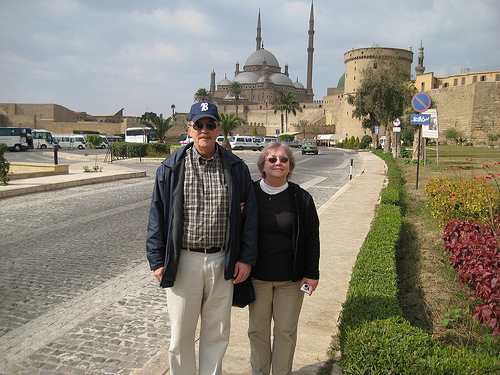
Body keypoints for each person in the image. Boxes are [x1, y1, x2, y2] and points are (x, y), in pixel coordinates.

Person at [146, 100, 258, 375]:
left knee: (217, 333)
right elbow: (157, 217)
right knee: (181, 335)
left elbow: (250, 218)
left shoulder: (236, 168)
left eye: (210, 124)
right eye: (199, 125)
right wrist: (157, 260)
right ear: (189, 129)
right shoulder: (171, 169)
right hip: (185, 262)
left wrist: (245, 258)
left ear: (219, 128)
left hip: (222, 261)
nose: (204, 130)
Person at [248, 141, 320, 375]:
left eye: (284, 159)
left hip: (290, 280)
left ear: (290, 165)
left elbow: (312, 238)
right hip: (257, 277)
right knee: (257, 331)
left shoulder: (302, 198)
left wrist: (312, 274)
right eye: (272, 159)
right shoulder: (248, 194)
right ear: (263, 165)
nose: (278, 163)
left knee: (285, 331)